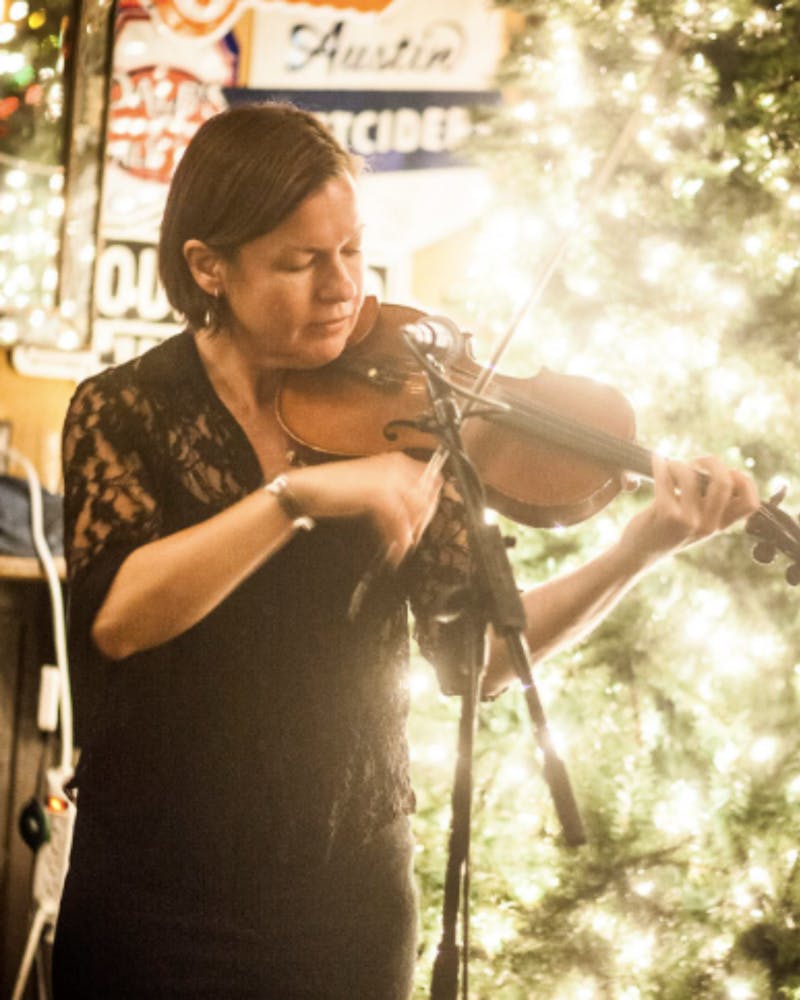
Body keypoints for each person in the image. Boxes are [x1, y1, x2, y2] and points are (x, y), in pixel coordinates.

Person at [52, 101, 759, 1000]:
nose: (342, 286)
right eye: (301, 261)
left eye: (351, 249)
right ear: (208, 267)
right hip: (152, 894)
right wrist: (293, 497)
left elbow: (477, 659)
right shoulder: (125, 407)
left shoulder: (418, 413)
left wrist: (637, 548)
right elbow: (118, 618)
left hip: (344, 891)